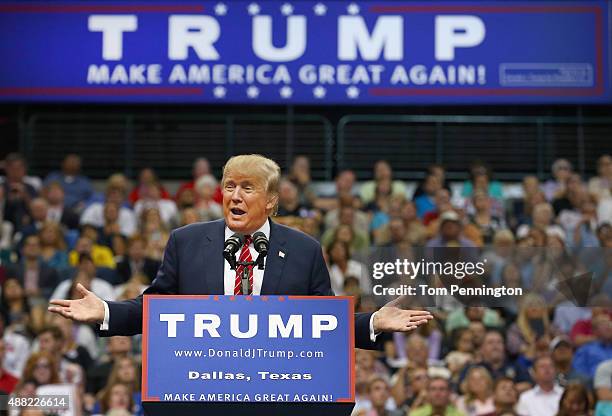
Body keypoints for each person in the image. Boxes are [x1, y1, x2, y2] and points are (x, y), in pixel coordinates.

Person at [49, 154, 433, 350]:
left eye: (247, 187)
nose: (234, 195)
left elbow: (324, 322)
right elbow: (155, 308)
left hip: (274, 392)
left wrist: (372, 323)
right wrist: (107, 312)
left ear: (270, 201)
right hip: (202, 388)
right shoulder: (186, 241)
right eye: (229, 185)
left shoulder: (304, 249)